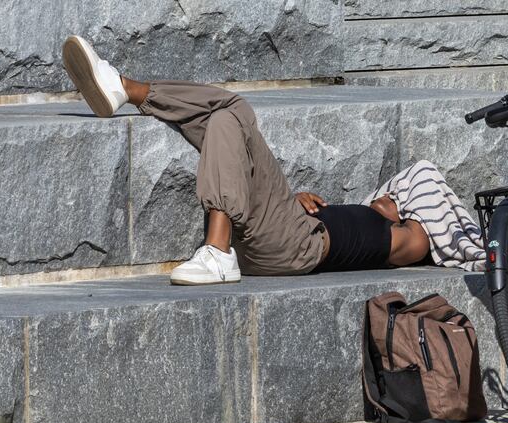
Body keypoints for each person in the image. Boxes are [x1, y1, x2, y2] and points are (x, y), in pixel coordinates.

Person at [61, 35, 433, 285]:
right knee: (222, 121)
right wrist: (298, 202)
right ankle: (123, 89)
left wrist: (423, 225)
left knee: (233, 106)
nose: (388, 197)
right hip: (276, 233)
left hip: (293, 246)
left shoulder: (399, 239)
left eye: (398, 201)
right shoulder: (363, 215)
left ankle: (128, 88)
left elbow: (426, 235)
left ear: (408, 216)